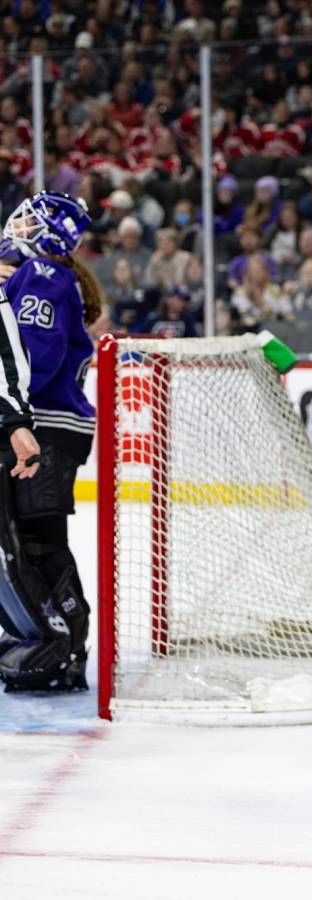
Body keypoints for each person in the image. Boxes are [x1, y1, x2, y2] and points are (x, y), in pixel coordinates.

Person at [0, 191, 103, 692]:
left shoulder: (43, 277)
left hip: (46, 425)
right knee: (25, 540)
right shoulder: (38, 278)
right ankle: (48, 636)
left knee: (38, 542)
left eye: (24, 219)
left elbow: (32, 360)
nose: (13, 224)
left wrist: (10, 412)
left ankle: (64, 644)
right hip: (43, 423)